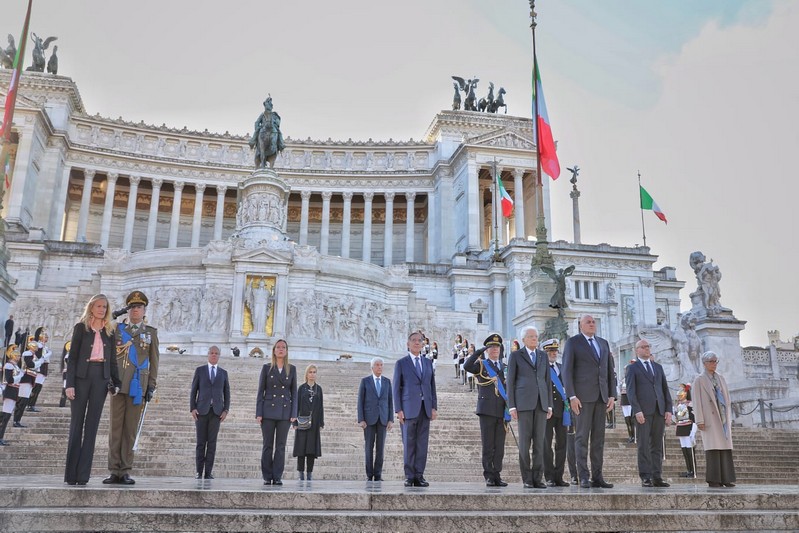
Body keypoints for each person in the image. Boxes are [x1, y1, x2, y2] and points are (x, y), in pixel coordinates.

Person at [64, 294, 121, 486]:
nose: (102, 309)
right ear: (91, 307)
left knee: (92, 427)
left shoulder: (110, 331)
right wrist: (69, 384)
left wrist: (116, 382)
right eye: (98, 306)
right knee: (76, 425)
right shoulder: (81, 328)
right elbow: (71, 358)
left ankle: (83, 475)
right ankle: (71, 474)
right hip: (80, 378)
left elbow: (113, 360)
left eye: (104, 307)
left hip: (101, 379)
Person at [105, 290, 159, 486]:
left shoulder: (150, 333)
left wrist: (151, 386)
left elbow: (154, 362)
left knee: (130, 430)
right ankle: (114, 469)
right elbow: (103, 322)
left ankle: (125, 469)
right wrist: (118, 312)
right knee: (115, 429)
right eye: (132, 307)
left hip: (138, 387)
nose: (135, 310)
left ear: (144, 310)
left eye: (139, 307)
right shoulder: (117, 329)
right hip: (118, 385)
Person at [562, 315, 617, 489]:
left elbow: (609, 370)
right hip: (582, 398)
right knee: (582, 438)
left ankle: (598, 477)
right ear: (580, 326)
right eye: (588, 322)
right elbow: (566, 370)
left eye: (593, 322)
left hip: (601, 397)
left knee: (598, 440)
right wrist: (571, 396)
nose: (592, 324)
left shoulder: (603, 343)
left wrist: (611, 395)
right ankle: (583, 476)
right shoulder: (573, 342)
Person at [507, 326, 552, 489]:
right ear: (524, 339)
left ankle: (538, 478)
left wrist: (549, 405)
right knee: (525, 444)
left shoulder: (542, 356)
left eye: (536, 336)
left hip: (541, 404)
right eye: (531, 336)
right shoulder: (516, 356)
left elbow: (547, 381)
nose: (535, 339)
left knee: (540, 443)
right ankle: (527, 477)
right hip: (523, 404)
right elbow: (510, 382)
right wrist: (511, 406)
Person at [463, 334, 509, 487]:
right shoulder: (481, 364)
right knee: (488, 445)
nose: (495, 349)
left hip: (502, 411)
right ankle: (489, 475)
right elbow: (467, 366)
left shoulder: (506, 367)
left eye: (497, 347)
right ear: (488, 350)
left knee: (500, 446)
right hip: (487, 409)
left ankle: (497, 474)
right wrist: (478, 352)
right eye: (491, 347)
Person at [394, 330, 438, 487]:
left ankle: (419, 475)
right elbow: (396, 388)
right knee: (409, 442)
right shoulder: (401, 363)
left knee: (422, 444)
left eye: (420, 340)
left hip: (425, 409)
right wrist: (398, 409)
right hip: (408, 409)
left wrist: (434, 407)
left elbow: (431, 386)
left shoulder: (427, 363)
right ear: (408, 343)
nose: (417, 342)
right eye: (414, 340)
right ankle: (409, 475)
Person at [626, 340, 673, 487]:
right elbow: (631, 392)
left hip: (659, 411)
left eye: (648, 347)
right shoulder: (632, 368)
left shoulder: (657, 367)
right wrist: (637, 410)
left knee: (657, 445)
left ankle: (657, 476)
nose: (647, 349)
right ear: (637, 350)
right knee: (643, 445)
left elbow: (665, 389)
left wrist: (669, 410)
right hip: (643, 413)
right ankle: (645, 476)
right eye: (644, 347)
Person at [256, 339, 297, 485]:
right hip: (268, 412)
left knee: (281, 446)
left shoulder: (291, 369)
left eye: (283, 347)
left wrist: (294, 413)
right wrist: (258, 413)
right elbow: (261, 391)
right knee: (267, 445)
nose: (281, 349)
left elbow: (294, 393)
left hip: (284, 413)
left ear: (286, 351)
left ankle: (277, 475)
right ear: (274, 350)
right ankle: (267, 476)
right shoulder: (267, 368)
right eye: (278, 347)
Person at [693, 351, 736, 488]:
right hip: (709, 418)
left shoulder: (721, 378)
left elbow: (727, 398)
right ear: (705, 363)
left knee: (725, 448)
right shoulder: (699, 380)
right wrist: (699, 419)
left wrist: (729, 417)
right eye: (711, 361)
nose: (714, 364)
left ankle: (727, 478)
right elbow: (696, 401)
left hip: (722, 417)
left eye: (715, 361)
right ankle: (714, 479)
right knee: (713, 448)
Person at [190, 345, 230, 480]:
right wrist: (192, 408)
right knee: (201, 442)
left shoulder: (223, 373)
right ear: (208, 354)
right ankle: (198, 471)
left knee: (212, 443)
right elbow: (193, 390)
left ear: (219, 356)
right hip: (201, 411)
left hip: (216, 412)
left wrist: (226, 410)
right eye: (212, 353)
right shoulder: (200, 371)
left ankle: (208, 472)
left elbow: (227, 393)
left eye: (216, 353)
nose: (214, 355)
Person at [357, 357, 393, 481]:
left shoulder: (387, 382)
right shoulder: (365, 381)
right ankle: (369, 474)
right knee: (368, 447)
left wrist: (390, 419)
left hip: (382, 419)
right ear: (372, 367)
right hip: (368, 420)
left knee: (380, 448)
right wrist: (361, 419)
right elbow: (360, 401)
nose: (380, 367)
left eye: (381, 365)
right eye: (377, 365)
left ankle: (378, 474)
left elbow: (390, 401)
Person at [542, 338, 571, 487]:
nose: (553, 353)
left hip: (562, 411)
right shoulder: (541, 368)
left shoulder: (561, 367)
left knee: (562, 445)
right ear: (545, 352)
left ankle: (559, 476)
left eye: (555, 350)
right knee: (546, 445)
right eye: (550, 351)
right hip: (547, 411)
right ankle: (549, 476)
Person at [293, 364, 324, 481]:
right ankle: (300, 473)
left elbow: (321, 407)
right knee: (301, 449)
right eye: (310, 372)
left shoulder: (319, 389)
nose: (312, 374)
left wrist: (321, 422)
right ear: (306, 374)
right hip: (302, 421)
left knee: (311, 449)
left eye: (314, 372)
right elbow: (296, 405)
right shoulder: (301, 388)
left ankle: (309, 473)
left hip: (314, 423)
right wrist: (294, 422)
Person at [13, 337, 38, 427]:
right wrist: (40, 361)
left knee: (24, 400)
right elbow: (30, 364)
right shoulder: (27, 353)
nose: (37, 347)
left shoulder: (32, 354)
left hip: (30, 377)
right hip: (26, 378)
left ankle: (17, 420)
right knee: (22, 400)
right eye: (35, 346)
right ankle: (16, 420)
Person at [0, 345, 23, 445]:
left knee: (7, 415)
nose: (18, 357)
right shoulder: (9, 365)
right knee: (6, 415)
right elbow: (9, 380)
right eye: (17, 356)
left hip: (14, 391)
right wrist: (20, 375)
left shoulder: (15, 366)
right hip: (10, 390)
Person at [674, 383, 697, 478]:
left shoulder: (689, 405)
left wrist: (693, 432)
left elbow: (694, 419)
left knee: (689, 450)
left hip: (688, 428)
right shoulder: (679, 406)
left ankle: (693, 471)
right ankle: (689, 470)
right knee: (684, 450)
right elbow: (677, 418)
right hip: (681, 428)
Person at [621, 358, 637, 444]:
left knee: (631, 420)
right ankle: (630, 435)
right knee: (627, 420)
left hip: (630, 400)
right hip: (624, 400)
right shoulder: (623, 380)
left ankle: (634, 436)